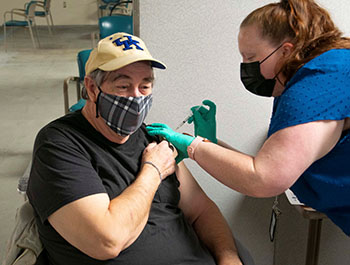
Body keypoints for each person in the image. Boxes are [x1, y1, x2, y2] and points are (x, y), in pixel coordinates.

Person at [26, 32, 252, 265]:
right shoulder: (60, 145)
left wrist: (228, 257)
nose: (136, 98)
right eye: (123, 86)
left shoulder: (151, 138)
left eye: (145, 86)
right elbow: (107, 241)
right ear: (92, 89)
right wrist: (153, 170)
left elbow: (202, 211)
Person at [146, 0, 350, 236]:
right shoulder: (318, 75)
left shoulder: (318, 82)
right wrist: (210, 143)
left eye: (251, 57)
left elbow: (263, 177)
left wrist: (192, 146)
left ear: (285, 50)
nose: (245, 67)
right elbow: (270, 164)